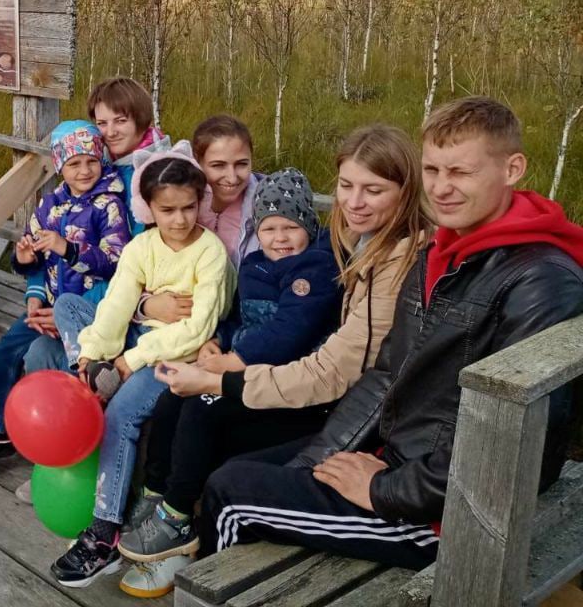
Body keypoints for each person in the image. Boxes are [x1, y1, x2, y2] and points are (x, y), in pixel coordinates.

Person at [200, 97, 583, 571]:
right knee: (246, 469)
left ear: (513, 169)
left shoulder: (540, 281)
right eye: (432, 170)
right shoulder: (441, 253)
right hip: (401, 457)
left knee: (230, 493)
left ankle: (217, 585)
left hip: (448, 516)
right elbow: (386, 376)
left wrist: (383, 490)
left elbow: (518, 445)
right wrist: (316, 463)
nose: (441, 188)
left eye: (460, 172)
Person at [119, 124, 430, 596]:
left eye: (373, 189)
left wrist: (226, 374)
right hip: (320, 393)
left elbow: (328, 362)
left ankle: (186, 535)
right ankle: (167, 512)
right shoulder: (353, 242)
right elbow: (243, 312)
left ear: (405, 191)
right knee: (189, 412)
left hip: (346, 414)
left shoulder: (385, 259)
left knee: (212, 428)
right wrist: (213, 345)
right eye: (346, 186)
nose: (354, 201)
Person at [114, 169, 340, 594]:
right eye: (269, 228)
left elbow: (288, 333)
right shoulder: (254, 265)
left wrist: (228, 363)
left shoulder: (315, 269)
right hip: (240, 372)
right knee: (170, 400)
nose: (280, 238)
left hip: (288, 391)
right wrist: (216, 343)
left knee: (201, 407)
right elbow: (238, 316)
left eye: (290, 227)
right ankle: (156, 492)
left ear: (308, 226)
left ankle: (178, 517)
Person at [48, 144, 231, 588]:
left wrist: (129, 361)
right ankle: (88, 374)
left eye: (188, 208)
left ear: (200, 203)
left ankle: (104, 531)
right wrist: (93, 353)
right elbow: (117, 303)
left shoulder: (210, 253)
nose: (180, 220)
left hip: (175, 354)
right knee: (70, 305)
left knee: (121, 414)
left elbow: (197, 328)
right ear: (149, 208)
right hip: (137, 336)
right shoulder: (142, 246)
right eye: (167, 210)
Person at [0, 120, 130, 476]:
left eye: (91, 161)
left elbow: (117, 262)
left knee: (49, 362)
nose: (84, 170)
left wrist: (69, 249)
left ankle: (70, 439)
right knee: (4, 351)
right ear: (60, 166)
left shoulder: (109, 206)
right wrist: (27, 265)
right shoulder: (49, 205)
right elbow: (35, 260)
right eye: (74, 163)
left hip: (86, 317)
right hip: (47, 308)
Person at [87, 78, 171, 232]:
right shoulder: (96, 165)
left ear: (141, 120)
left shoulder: (164, 172)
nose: (110, 133)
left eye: (120, 121)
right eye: (102, 123)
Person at [192, 115, 265, 269]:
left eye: (241, 164)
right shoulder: (177, 203)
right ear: (197, 162)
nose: (232, 178)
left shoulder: (271, 204)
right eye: (218, 165)